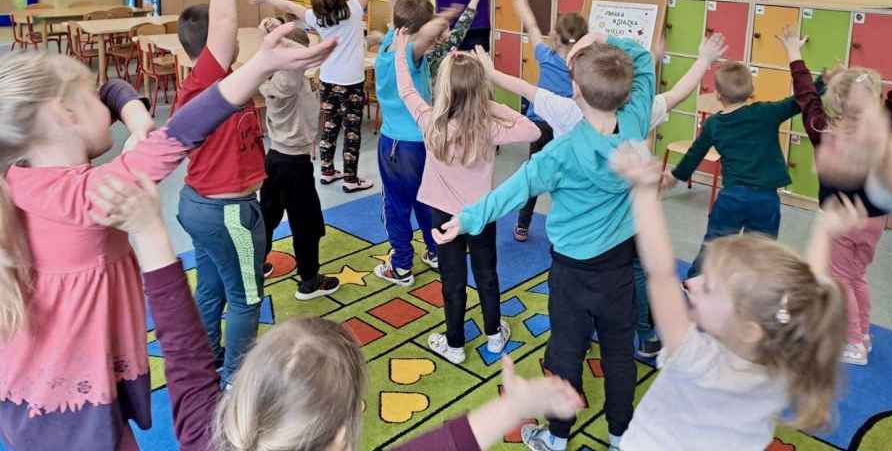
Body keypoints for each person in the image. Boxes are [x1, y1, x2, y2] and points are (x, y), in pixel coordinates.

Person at [0, 22, 334, 449]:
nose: (105, 103)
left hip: (33, 399)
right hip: (71, 418)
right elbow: (184, 132)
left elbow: (112, 87)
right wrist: (260, 66)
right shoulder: (91, 195)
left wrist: (137, 115)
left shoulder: (22, 180)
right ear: (64, 114)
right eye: (89, 99)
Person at [88, 174, 584, 451]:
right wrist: (513, 406)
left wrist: (152, 231)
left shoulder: (203, 434)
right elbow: (442, 448)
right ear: (343, 436)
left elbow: (183, 351)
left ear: (241, 398)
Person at [433, 34, 655, 451]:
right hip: (619, 269)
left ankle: (555, 438)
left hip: (572, 273)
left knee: (566, 354)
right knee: (619, 352)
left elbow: (512, 192)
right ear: (626, 92)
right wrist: (605, 38)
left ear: (574, 90)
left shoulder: (561, 153)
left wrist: (465, 220)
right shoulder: (637, 122)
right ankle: (620, 434)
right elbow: (642, 59)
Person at [491, 32, 728, 360]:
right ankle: (645, 336)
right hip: (625, 225)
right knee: (635, 271)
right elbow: (675, 94)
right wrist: (702, 61)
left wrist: (488, 72)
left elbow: (524, 88)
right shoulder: (637, 110)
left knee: (575, 289)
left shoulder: (563, 108)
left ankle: (580, 334)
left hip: (579, 236)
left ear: (578, 84)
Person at [610, 141, 851, 451]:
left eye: (708, 287)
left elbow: (661, 273)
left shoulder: (696, 358)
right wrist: (824, 230)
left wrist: (642, 191)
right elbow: (808, 288)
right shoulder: (786, 356)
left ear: (750, 329)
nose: (692, 284)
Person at [174, 0, 336, 388]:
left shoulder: (225, 83)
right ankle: (235, 380)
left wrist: (280, 44)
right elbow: (225, 24)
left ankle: (210, 355)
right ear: (210, 48)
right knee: (247, 298)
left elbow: (263, 70)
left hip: (202, 203)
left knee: (212, 288)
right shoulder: (207, 82)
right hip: (227, 211)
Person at [394, 30, 540, 363]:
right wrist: (490, 105)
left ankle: (455, 343)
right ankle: (493, 335)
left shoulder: (430, 121)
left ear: (443, 88)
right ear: (479, 93)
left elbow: (406, 90)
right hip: (481, 213)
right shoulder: (488, 127)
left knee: (452, 278)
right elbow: (532, 129)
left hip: (443, 217)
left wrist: (402, 55)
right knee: (487, 273)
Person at [778, 25, 892, 364]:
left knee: (841, 280)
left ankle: (853, 343)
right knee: (857, 276)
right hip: (875, 220)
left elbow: (805, 97)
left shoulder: (824, 129)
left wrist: (794, 53)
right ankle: (862, 332)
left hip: (841, 220)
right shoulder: (888, 125)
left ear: (836, 99)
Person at [253, 0, 378, 192]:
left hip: (328, 80)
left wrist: (267, 0)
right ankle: (351, 180)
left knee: (330, 126)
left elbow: (288, 5)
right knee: (351, 132)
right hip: (352, 82)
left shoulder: (315, 17)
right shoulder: (354, 9)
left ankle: (327, 171)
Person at [663, 60, 804, 278]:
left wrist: (676, 176)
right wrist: (824, 81)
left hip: (732, 197)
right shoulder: (766, 112)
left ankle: (693, 284)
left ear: (718, 94)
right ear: (751, 91)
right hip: (765, 200)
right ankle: (754, 295)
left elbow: (694, 153)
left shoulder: (714, 124)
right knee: (762, 252)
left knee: (714, 245)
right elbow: (799, 100)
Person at [372, 0, 462, 284]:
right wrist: (449, 14)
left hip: (401, 146)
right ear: (415, 32)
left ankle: (401, 266)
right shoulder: (406, 54)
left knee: (399, 204)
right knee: (419, 201)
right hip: (411, 144)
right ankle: (431, 252)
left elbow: (396, 9)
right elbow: (424, 32)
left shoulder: (392, 41)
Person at [257, 17, 340, 299]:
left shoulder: (279, 75)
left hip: (277, 159)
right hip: (294, 164)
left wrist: (274, 32)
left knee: (267, 217)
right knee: (307, 223)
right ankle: (309, 280)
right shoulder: (289, 81)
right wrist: (280, 37)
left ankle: (257, 265)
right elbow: (294, 64)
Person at [511, 0, 587, 243]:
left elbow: (532, 28)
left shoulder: (546, 56)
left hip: (541, 125)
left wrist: (521, 2)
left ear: (555, 38)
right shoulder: (583, 66)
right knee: (563, 178)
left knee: (535, 173)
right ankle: (566, 227)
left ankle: (522, 224)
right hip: (567, 129)